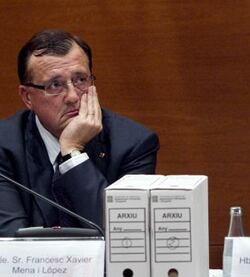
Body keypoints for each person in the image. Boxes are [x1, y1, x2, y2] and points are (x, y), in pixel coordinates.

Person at [0, 30, 159, 236]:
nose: (73, 96)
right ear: (27, 97)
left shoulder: (133, 145)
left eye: (81, 80)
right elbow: (11, 241)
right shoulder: (4, 146)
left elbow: (122, 236)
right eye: (55, 85)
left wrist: (73, 154)